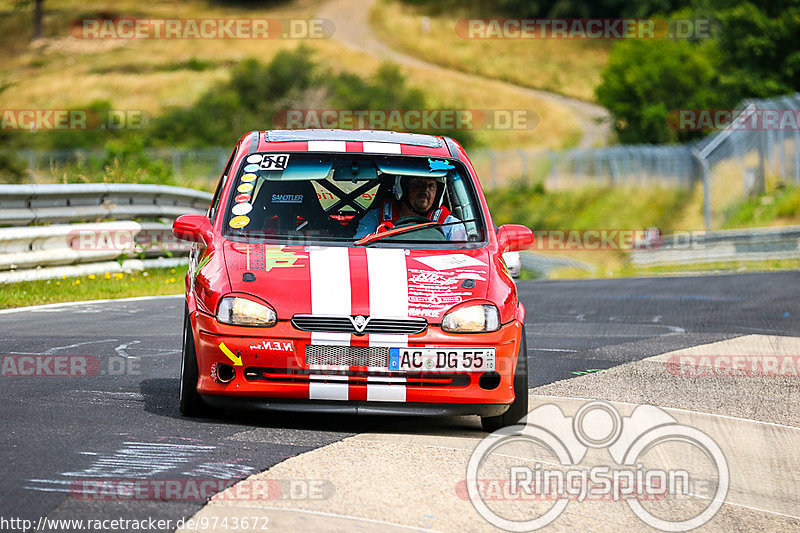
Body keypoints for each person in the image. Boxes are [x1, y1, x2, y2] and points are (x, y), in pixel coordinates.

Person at [354, 175, 466, 240]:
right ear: (403, 188)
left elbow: (463, 256)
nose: (425, 190)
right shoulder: (375, 217)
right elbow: (359, 250)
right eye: (419, 183)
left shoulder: (450, 224)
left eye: (431, 186)